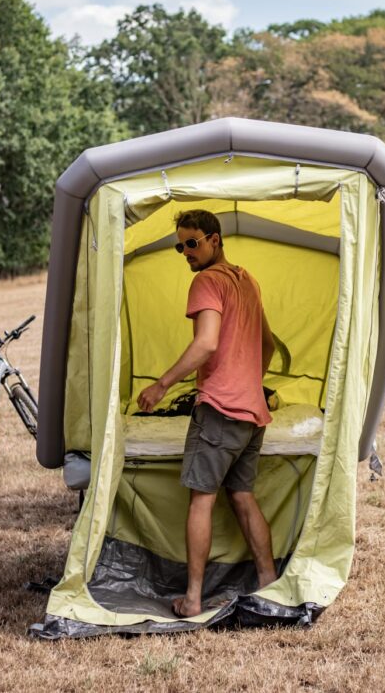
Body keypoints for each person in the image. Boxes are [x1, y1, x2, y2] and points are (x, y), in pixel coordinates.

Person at [137, 209, 277, 618]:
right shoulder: (246, 279)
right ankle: (269, 582)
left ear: (215, 239)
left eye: (192, 242)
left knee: (201, 500)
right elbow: (267, 344)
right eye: (180, 245)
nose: (185, 252)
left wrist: (161, 385)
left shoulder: (207, 281)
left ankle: (193, 598)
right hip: (252, 411)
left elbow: (206, 344)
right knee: (243, 497)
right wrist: (248, 380)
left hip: (219, 409)